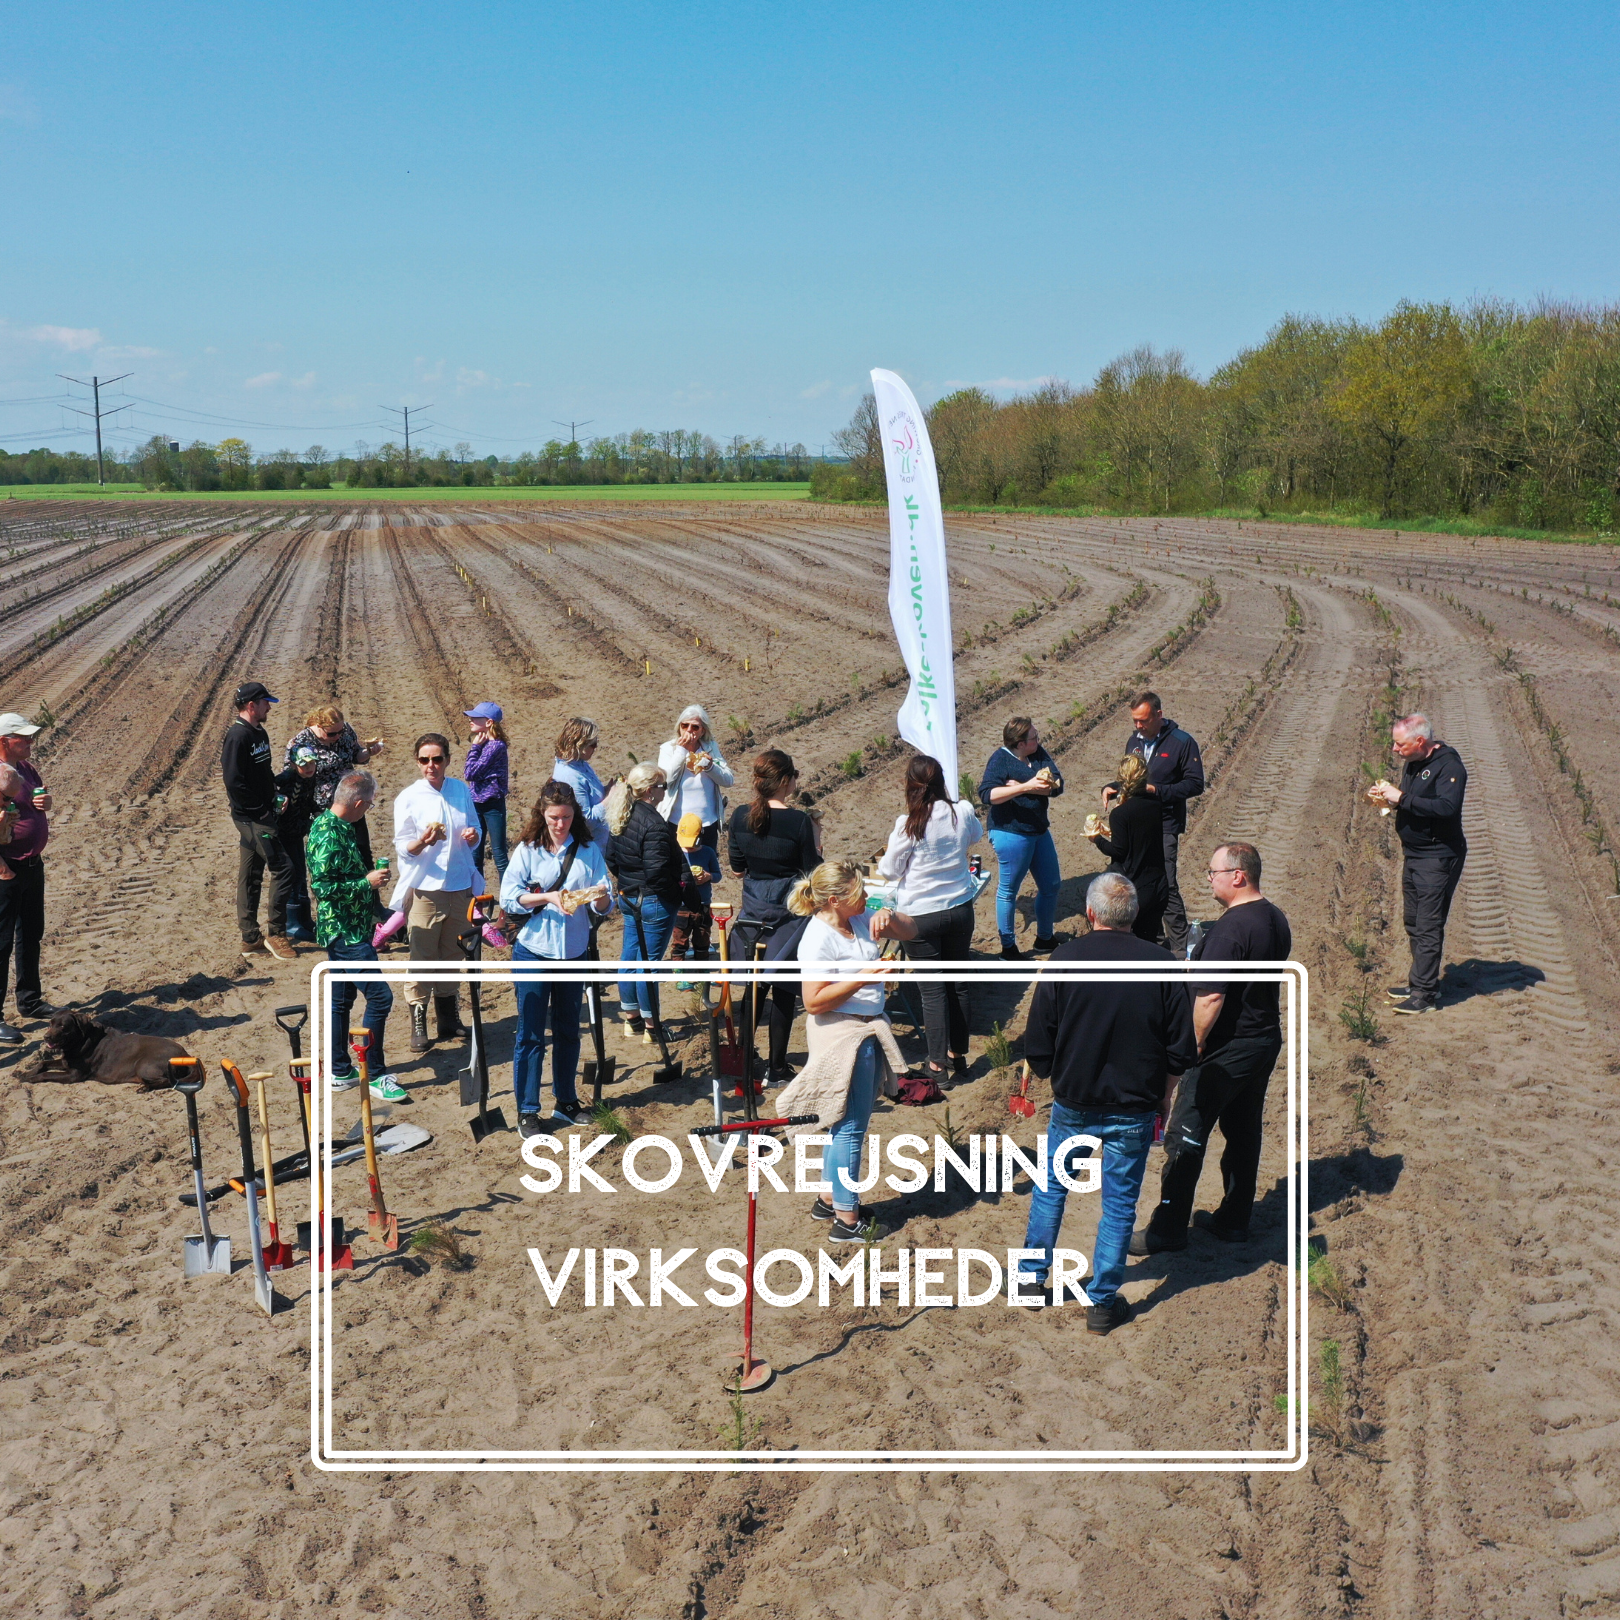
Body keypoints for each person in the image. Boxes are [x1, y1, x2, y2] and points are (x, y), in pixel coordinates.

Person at [1020, 873, 1196, 1333]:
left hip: (1074, 1103)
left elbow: (1038, 1047)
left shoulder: (1064, 959)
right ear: (1134, 916)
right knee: (1119, 1204)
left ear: (1091, 913)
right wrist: (1164, 1095)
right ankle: (1101, 1302)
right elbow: (1181, 1049)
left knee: (1051, 1189)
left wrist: (1051, 1070)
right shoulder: (1162, 965)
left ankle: (1031, 1280)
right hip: (1136, 1106)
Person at [1134, 841, 1291, 1253]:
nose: (1208, 879)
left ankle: (1167, 1230)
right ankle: (1234, 1219)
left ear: (1237, 876)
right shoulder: (1274, 918)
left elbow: (1210, 998)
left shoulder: (1231, 928)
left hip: (1225, 1048)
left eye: (1213, 872)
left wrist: (1190, 1050)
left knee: (1186, 1133)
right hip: (1261, 1040)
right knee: (1243, 1132)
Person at [775, 861, 916, 1243]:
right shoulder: (818, 939)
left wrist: (890, 916)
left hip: (863, 1028)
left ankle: (828, 1198)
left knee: (847, 1124)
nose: (867, 899)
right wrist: (866, 977)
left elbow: (912, 929)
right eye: (861, 895)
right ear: (834, 900)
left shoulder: (857, 918)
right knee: (850, 1129)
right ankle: (847, 1220)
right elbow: (815, 1001)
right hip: (842, 1033)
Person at [500, 780, 614, 1135]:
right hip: (533, 950)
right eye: (553, 817)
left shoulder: (588, 849)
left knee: (568, 1031)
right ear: (542, 814)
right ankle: (528, 1111)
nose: (560, 824)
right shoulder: (528, 850)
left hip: (574, 951)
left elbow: (605, 903)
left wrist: (599, 898)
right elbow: (508, 897)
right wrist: (549, 898)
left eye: (565, 817)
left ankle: (566, 1101)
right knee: (531, 1034)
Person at [877, 754, 983, 1082]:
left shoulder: (908, 823)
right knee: (958, 984)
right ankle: (957, 1054)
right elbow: (976, 835)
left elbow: (890, 869)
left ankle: (936, 1065)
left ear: (910, 786)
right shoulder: (961, 811)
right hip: (959, 908)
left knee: (932, 991)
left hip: (921, 915)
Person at [305, 770, 406, 1102]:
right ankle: (374, 1076)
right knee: (380, 998)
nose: (369, 809)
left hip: (352, 927)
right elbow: (321, 888)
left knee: (341, 1000)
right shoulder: (326, 834)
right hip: (344, 933)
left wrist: (368, 880)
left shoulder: (339, 827)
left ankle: (340, 1070)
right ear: (359, 803)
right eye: (370, 805)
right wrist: (367, 883)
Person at [726, 749, 822, 1084]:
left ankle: (742, 1056)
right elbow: (813, 872)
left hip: (753, 909)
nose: (796, 780)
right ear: (784, 781)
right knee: (784, 988)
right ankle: (777, 1066)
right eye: (794, 774)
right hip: (789, 913)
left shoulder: (739, 816)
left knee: (755, 985)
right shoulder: (798, 821)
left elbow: (737, 871)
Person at [1369, 713, 1467, 1015]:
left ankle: (1425, 995)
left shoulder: (1449, 766)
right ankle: (1419, 982)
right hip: (1415, 854)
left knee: (1428, 924)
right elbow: (1411, 799)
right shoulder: (1414, 762)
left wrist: (1402, 798)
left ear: (1420, 741)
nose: (1395, 750)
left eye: (1400, 745)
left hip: (1438, 857)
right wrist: (1388, 800)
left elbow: (1447, 807)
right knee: (1413, 921)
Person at [390, 732, 480, 1053]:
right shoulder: (409, 797)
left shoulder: (460, 790)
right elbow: (403, 848)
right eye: (424, 760)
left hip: (460, 884)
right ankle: (418, 1020)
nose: (431, 765)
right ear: (418, 762)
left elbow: (475, 828)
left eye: (437, 759)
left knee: (452, 953)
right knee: (422, 956)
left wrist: (473, 835)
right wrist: (424, 841)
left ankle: (448, 1017)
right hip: (426, 889)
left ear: (447, 761)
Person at [605, 761, 686, 1038]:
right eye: (663, 786)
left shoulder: (621, 815)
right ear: (651, 790)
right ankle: (653, 1028)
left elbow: (611, 858)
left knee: (629, 958)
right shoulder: (654, 823)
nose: (665, 791)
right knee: (648, 965)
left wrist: (627, 881)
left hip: (628, 896)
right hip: (652, 900)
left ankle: (633, 1020)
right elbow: (656, 872)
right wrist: (677, 895)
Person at [1122, 691, 1205, 958]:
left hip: (1165, 824)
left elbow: (1194, 784)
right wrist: (1113, 788)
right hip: (1137, 824)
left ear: (1159, 715)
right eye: (1135, 720)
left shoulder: (1182, 743)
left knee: (1166, 883)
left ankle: (1181, 948)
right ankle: (1151, 938)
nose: (1138, 727)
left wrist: (1156, 790)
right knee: (1138, 881)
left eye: (1143, 720)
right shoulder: (1134, 742)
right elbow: (1128, 778)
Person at [222, 681, 296, 963]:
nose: (269, 706)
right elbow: (233, 782)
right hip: (252, 818)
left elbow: (262, 773)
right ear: (251, 705)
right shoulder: (237, 737)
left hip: (263, 813)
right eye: (266, 702)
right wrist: (260, 812)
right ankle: (276, 934)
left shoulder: (258, 733)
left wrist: (275, 795)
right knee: (284, 869)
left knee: (251, 872)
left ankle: (250, 938)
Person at [979, 717, 1064, 961]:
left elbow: (1057, 783)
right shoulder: (1000, 759)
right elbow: (988, 794)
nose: (1038, 740)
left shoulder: (1038, 754)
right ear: (1019, 743)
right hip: (1010, 832)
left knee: (1051, 885)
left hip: (1038, 830)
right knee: (1009, 890)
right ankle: (1008, 947)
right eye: (1033, 738)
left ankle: (1044, 937)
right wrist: (1025, 787)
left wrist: (1031, 786)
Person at [0, 724, 54, 1041]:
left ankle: (30, 1002)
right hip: (7, 870)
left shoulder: (25, 768)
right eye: (25, 737)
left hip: (32, 866)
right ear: (5, 741)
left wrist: (44, 804)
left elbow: (38, 796)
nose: (32, 741)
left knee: (31, 935)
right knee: (1, 944)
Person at [283, 704, 386, 864]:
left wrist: (369, 752)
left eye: (340, 731)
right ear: (318, 726)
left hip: (351, 802)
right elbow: (290, 775)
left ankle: (368, 888)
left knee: (361, 850)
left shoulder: (345, 731)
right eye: (332, 733)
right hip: (322, 809)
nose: (337, 736)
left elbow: (355, 755)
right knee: (331, 854)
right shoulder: (300, 743)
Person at [1085, 754, 1169, 945]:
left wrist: (1096, 838)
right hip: (1158, 885)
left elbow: (1119, 851)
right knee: (1149, 943)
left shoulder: (1120, 814)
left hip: (1135, 890)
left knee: (1128, 946)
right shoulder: (1156, 804)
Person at [656, 705, 735, 850]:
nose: (689, 731)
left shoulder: (710, 747)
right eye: (684, 726)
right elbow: (666, 780)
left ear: (702, 730)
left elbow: (728, 780)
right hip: (677, 822)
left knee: (706, 865)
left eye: (695, 727)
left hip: (707, 822)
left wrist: (710, 767)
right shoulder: (668, 749)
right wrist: (681, 751)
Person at [274, 746, 321, 943]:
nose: (309, 767)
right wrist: (307, 824)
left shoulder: (309, 778)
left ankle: (304, 919)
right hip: (284, 834)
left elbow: (307, 802)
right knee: (292, 873)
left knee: (301, 873)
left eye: (312, 763)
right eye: (304, 764)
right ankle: (291, 924)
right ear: (293, 764)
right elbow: (287, 811)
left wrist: (317, 813)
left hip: (296, 832)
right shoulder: (286, 781)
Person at [669, 812, 721, 983]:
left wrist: (708, 877)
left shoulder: (707, 852)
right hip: (682, 906)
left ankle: (702, 973)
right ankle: (680, 975)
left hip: (703, 905)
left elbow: (717, 875)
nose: (689, 849)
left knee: (702, 939)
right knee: (680, 940)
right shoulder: (675, 853)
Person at [463, 701, 510, 886]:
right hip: (476, 803)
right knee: (475, 854)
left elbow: (470, 773)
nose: (470, 720)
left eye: (475, 717)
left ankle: (509, 901)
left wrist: (474, 748)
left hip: (492, 805)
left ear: (489, 722)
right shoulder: (485, 744)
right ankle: (477, 899)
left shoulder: (495, 746)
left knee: (499, 855)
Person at [551, 717, 610, 851]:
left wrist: (607, 790)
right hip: (588, 850)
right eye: (592, 744)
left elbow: (591, 798)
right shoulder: (570, 776)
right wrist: (610, 798)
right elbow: (587, 821)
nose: (596, 748)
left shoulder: (581, 764)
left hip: (598, 845)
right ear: (579, 744)